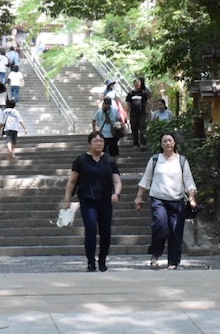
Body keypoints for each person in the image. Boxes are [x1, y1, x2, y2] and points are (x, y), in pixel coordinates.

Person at [134, 132, 197, 269]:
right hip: (158, 200)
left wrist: (191, 198)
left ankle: (173, 261)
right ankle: (155, 254)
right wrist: (139, 196)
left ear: (174, 143)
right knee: (160, 227)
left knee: (175, 230)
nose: (168, 143)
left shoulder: (182, 161)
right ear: (161, 144)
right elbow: (146, 179)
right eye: (165, 141)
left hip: (177, 200)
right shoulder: (155, 159)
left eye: (170, 140)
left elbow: (188, 181)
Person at [61, 131, 121, 272]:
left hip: (105, 201)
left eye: (101, 141)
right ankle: (90, 261)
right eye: (95, 141)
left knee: (106, 232)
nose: (99, 143)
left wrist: (116, 193)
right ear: (89, 143)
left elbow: (117, 180)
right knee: (91, 230)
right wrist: (67, 200)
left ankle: (102, 260)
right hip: (87, 200)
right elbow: (72, 181)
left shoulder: (109, 161)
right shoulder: (81, 160)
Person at [125, 77, 152, 149]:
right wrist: (126, 115)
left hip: (142, 114)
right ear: (134, 85)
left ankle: (143, 143)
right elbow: (128, 104)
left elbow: (147, 103)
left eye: (138, 84)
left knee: (142, 127)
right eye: (136, 85)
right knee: (134, 128)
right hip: (133, 114)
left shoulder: (143, 93)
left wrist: (147, 113)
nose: (137, 86)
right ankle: (135, 144)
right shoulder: (130, 94)